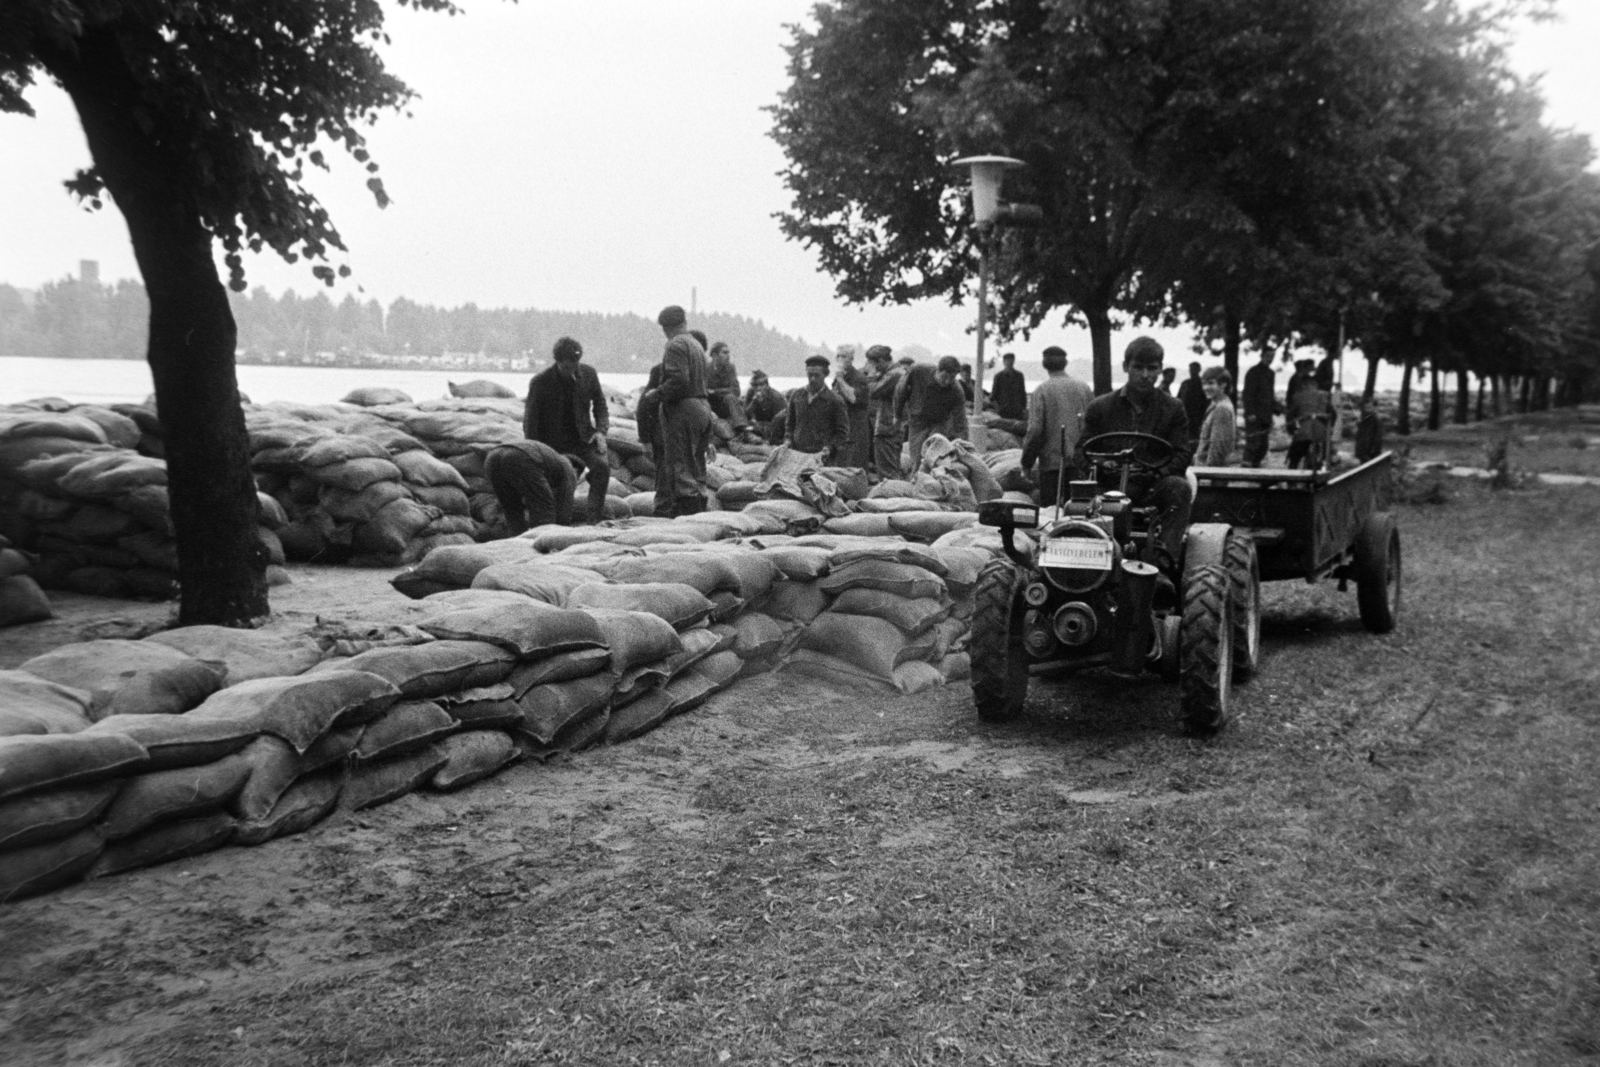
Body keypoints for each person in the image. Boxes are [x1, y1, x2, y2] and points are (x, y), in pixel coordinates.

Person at [1077, 337, 1192, 572]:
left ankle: (1163, 567)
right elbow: (1081, 451)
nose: (1145, 374)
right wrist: (1103, 462)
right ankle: (1082, 564)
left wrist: (1157, 470)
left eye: (1152, 368)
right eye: (1138, 367)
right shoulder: (1100, 407)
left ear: (1160, 369)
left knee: (1180, 488)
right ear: (1125, 367)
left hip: (1153, 487)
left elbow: (1182, 453)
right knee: (1076, 499)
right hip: (1108, 487)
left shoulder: (1173, 408)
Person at [523, 336, 610, 523]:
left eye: (575, 366)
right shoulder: (540, 382)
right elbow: (531, 422)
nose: (571, 372)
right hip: (554, 445)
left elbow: (600, 404)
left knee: (601, 467)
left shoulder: (588, 374)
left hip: (584, 439)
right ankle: (561, 523)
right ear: (557, 362)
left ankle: (594, 520)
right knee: (564, 480)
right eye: (566, 368)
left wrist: (601, 431)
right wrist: (537, 453)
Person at [643, 305, 714, 516]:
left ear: (666, 327)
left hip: (683, 409)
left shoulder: (674, 345)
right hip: (702, 406)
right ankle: (700, 514)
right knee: (697, 465)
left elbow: (679, 380)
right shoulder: (695, 344)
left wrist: (657, 394)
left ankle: (687, 519)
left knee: (680, 466)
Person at [1020, 345, 1094, 507]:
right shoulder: (1084, 388)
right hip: (1080, 464)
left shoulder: (1042, 390)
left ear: (1044, 364)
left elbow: (1035, 431)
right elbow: (1093, 427)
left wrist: (1027, 463)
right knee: (1079, 512)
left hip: (1051, 466)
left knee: (1050, 515)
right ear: (1065, 363)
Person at [484, 439, 580, 535]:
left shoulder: (551, 459)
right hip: (520, 456)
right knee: (543, 506)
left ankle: (518, 542)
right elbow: (565, 504)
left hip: (491, 457)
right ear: (576, 470)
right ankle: (543, 543)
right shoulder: (567, 466)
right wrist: (561, 533)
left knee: (512, 509)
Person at [895, 355, 969, 470]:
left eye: (952, 377)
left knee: (935, 457)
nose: (948, 381)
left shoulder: (957, 390)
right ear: (938, 370)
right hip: (917, 421)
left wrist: (964, 445)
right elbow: (901, 390)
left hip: (940, 422)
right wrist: (897, 414)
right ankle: (917, 478)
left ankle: (933, 480)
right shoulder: (918, 370)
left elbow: (961, 420)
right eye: (945, 376)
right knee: (916, 457)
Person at [787, 354, 851, 463]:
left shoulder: (835, 400)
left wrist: (830, 448)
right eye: (810, 375)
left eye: (817, 375)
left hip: (822, 457)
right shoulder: (797, 396)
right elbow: (790, 423)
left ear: (825, 375)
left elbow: (842, 432)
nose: (812, 379)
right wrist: (788, 440)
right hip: (797, 454)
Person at [865, 345, 906, 479]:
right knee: (889, 469)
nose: (874, 367)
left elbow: (874, 392)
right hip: (891, 428)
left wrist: (871, 376)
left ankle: (891, 497)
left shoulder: (894, 375)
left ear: (881, 360)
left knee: (887, 472)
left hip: (888, 429)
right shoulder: (895, 372)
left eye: (874, 364)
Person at [832, 346, 873, 468]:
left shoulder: (859, 378)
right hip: (841, 431)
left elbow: (853, 398)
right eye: (838, 356)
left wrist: (840, 378)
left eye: (843, 356)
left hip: (856, 431)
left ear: (851, 359)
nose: (840, 359)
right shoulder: (838, 379)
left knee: (854, 467)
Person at [1286, 375, 1334, 469]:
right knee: (1326, 453)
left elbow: (1290, 415)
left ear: (1304, 385)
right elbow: (1333, 413)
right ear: (1315, 385)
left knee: (1294, 457)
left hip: (1304, 431)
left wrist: (1291, 429)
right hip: (1321, 431)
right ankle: (1326, 462)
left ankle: (1291, 477)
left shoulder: (1298, 396)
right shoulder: (1324, 395)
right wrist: (1330, 427)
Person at [1241, 349, 1277, 468]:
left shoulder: (1271, 374)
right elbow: (1248, 394)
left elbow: (1270, 395)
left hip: (1265, 415)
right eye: (1267, 355)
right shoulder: (1253, 372)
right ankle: (1245, 471)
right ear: (1261, 356)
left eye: (1272, 356)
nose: (1270, 358)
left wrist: (1277, 409)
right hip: (1254, 416)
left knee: (1263, 446)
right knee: (1253, 444)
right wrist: (1250, 412)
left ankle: (1255, 469)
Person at [1195, 366, 1236, 467]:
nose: (1206, 388)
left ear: (1223, 384)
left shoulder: (1222, 408)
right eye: (1204, 384)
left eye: (1210, 383)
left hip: (1211, 472)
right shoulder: (1216, 404)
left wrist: (1208, 473)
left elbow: (1217, 448)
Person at [705, 341, 748, 430]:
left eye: (728, 352)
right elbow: (703, 390)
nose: (728, 355)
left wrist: (716, 391)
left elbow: (736, 391)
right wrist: (724, 390)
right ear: (714, 355)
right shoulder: (706, 368)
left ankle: (743, 429)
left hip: (724, 405)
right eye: (724, 353)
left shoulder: (730, 368)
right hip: (709, 405)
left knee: (731, 397)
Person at [743, 370, 787, 443]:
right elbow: (745, 415)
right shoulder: (751, 392)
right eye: (755, 385)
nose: (758, 388)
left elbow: (779, 422)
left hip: (773, 427)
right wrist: (754, 402)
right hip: (759, 424)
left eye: (761, 385)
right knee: (744, 425)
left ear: (767, 385)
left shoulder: (776, 397)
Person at [991, 351, 1028, 421]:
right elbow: (993, 395)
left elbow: (1022, 393)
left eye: (1011, 360)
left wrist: (1024, 408)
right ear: (1004, 362)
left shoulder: (1019, 376)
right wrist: (997, 409)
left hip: (1017, 411)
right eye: (1007, 360)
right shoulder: (998, 376)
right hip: (1003, 410)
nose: (1010, 362)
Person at [1176, 361, 1207, 443]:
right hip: (1185, 415)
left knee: (1196, 439)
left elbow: (1206, 402)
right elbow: (1179, 399)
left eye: (1194, 369)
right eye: (1191, 369)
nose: (1192, 371)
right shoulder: (1185, 384)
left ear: (1199, 370)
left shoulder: (1203, 384)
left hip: (1198, 416)